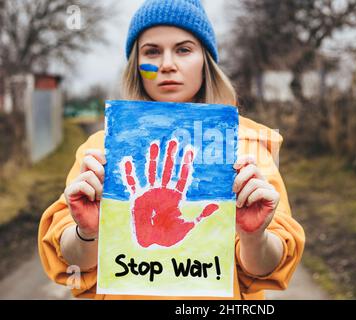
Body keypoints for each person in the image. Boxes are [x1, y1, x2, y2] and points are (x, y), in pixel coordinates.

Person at [38, 0, 305, 300]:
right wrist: (88, 232)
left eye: (183, 49)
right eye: (151, 51)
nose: (167, 64)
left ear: (206, 61)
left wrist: (254, 237)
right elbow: (73, 265)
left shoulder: (246, 148)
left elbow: (263, 270)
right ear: (136, 66)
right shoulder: (102, 150)